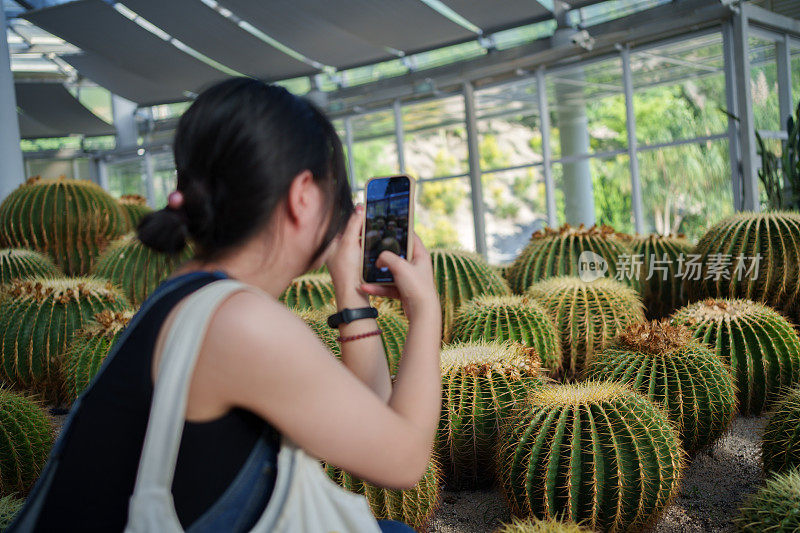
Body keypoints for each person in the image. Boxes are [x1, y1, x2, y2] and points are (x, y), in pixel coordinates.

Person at [15, 78, 441, 532]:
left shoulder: (189, 291)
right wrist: (427, 312)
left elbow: (366, 432)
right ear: (303, 196)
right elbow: (404, 463)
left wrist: (352, 300)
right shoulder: (240, 323)